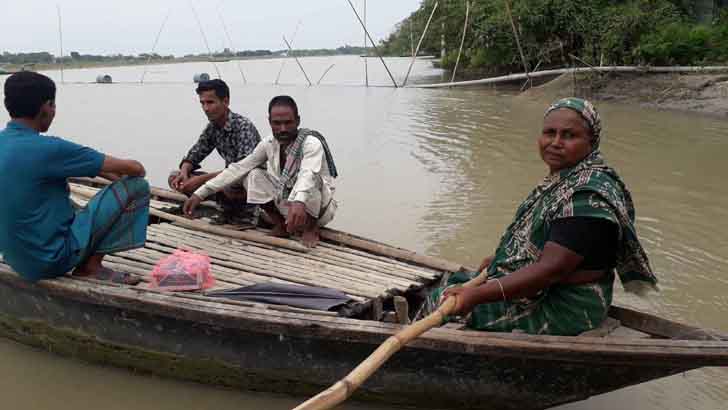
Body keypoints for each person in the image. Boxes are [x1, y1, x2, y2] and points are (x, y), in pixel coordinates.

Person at [433, 97, 657, 336]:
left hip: (566, 306)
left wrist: (476, 295)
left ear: (591, 142)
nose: (556, 142)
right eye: (550, 133)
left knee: (440, 301)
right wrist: (501, 258)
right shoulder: (568, 178)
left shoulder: (587, 196)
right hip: (550, 290)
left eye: (569, 135)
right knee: (453, 282)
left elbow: (550, 270)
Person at [0, 71, 150, 284]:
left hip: (14, 258)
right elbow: (136, 169)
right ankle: (90, 266)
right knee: (137, 187)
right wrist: (117, 182)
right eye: (53, 106)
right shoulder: (51, 149)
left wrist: (94, 168)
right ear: (47, 106)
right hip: (51, 261)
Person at [183, 95, 338, 248]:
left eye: (288, 123)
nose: (282, 129)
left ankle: (311, 229)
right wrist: (201, 192)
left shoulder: (311, 144)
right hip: (288, 204)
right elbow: (239, 168)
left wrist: (299, 201)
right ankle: (281, 225)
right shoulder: (268, 144)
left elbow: (308, 174)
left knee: (312, 179)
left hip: (318, 210)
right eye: (277, 123)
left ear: (297, 121)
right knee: (252, 175)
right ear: (269, 122)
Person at [168, 79, 261, 222]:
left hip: (245, 182)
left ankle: (245, 213)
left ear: (225, 102)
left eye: (210, 102)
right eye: (202, 103)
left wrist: (200, 180)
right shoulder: (213, 127)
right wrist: (184, 172)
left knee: (230, 185)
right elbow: (195, 154)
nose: (206, 108)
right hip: (226, 181)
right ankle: (223, 205)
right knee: (174, 177)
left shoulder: (243, 127)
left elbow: (240, 170)